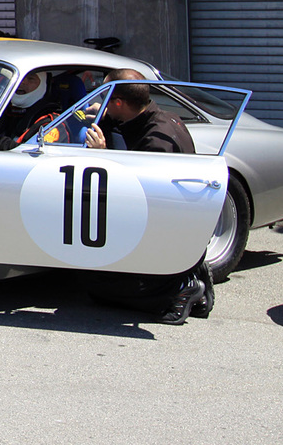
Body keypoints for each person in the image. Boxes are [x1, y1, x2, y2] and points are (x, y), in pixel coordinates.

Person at [81, 69, 214, 325]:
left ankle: (179, 290)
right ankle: (191, 279)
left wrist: (103, 155)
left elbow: (137, 193)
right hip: (170, 228)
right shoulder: (160, 116)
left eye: (107, 97)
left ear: (119, 102)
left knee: (96, 288)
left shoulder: (157, 141)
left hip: (161, 232)